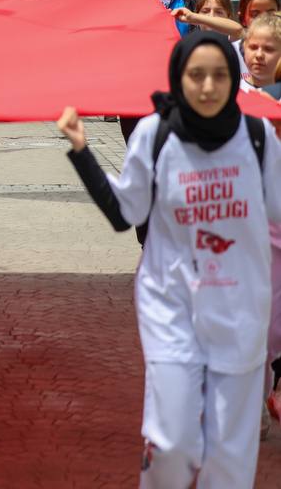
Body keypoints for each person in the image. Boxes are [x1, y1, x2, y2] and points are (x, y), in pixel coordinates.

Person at [57, 31, 281, 489]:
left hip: (239, 314)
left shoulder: (257, 138)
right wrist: (82, 152)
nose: (208, 86)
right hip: (172, 311)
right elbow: (125, 213)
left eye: (221, 75)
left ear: (234, 79)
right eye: (196, 75)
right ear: (179, 78)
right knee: (172, 444)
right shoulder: (155, 135)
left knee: (230, 459)